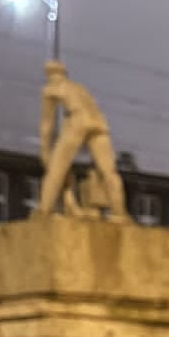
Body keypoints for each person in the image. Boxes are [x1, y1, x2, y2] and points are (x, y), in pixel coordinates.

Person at [37, 61, 129, 220]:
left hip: (78, 120)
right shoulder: (78, 88)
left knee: (57, 167)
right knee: (108, 171)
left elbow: (47, 123)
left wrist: (45, 148)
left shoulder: (51, 88)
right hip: (99, 123)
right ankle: (119, 212)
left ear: (49, 74)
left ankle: (44, 210)